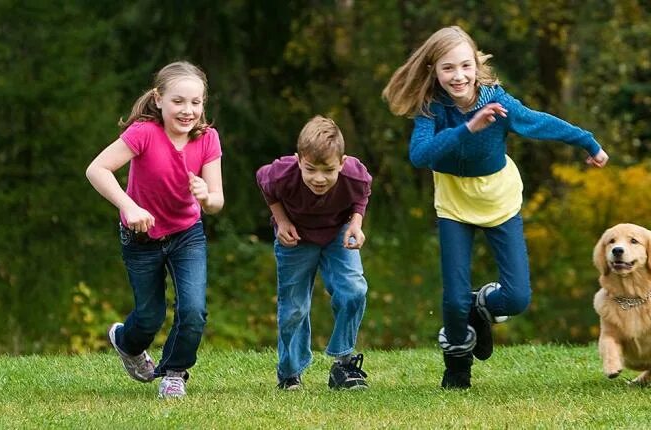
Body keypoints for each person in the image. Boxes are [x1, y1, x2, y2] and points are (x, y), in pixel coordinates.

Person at [382, 26, 609, 389]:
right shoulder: (431, 110)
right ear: (433, 71)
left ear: (476, 65)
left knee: (517, 297)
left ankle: (483, 305)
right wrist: (467, 128)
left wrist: (588, 142)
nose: (458, 76)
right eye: (448, 68)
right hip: (455, 206)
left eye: (465, 66)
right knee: (454, 301)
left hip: (499, 201)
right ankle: (457, 366)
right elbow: (420, 156)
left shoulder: (497, 102)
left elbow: (539, 122)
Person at [86, 61, 225, 399]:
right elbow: (97, 169)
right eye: (178, 101)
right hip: (141, 238)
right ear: (159, 99)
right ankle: (125, 342)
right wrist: (129, 206)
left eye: (196, 102)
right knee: (149, 317)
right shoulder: (144, 133)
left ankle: (175, 372)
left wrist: (207, 197)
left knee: (193, 311)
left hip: (187, 234)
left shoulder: (207, 139)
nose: (188, 110)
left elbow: (217, 200)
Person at [256, 115, 372, 391]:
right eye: (310, 169)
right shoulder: (282, 173)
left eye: (328, 170)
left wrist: (356, 224)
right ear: (298, 160)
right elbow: (264, 183)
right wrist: (281, 221)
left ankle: (343, 363)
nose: (319, 178)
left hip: (337, 235)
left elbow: (361, 194)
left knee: (354, 290)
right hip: (296, 238)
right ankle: (290, 372)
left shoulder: (354, 173)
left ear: (342, 164)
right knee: (294, 307)